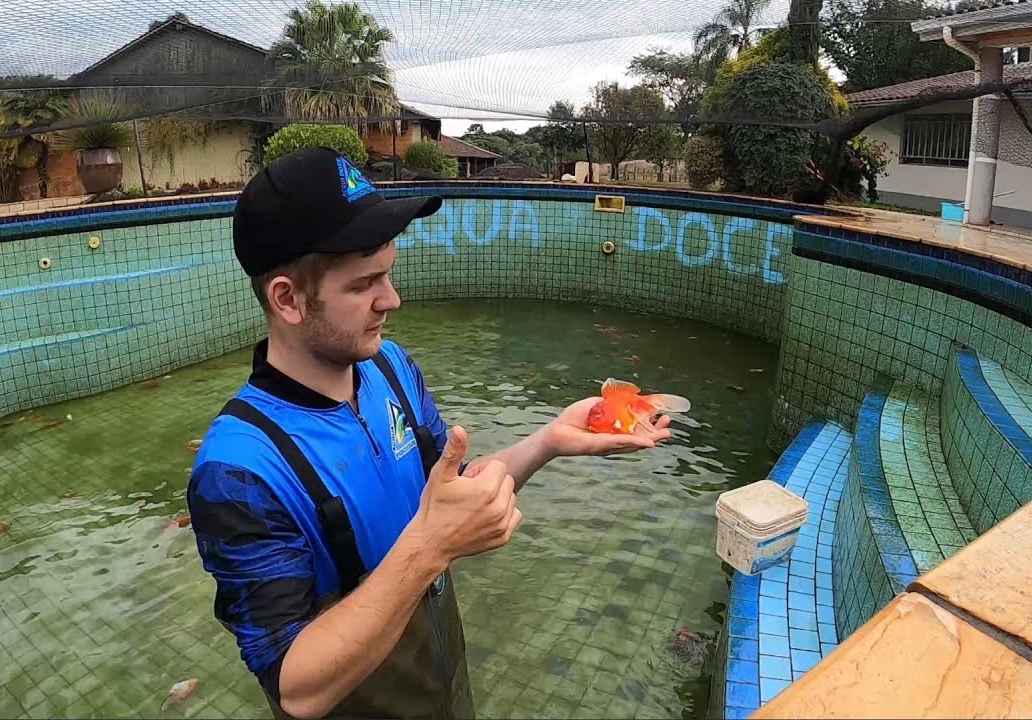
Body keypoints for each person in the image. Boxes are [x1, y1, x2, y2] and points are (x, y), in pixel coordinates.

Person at [186, 145, 675, 720]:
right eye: (365, 284)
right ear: (288, 299)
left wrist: (548, 441)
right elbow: (294, 685)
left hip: (441, 683)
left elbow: (450, 497)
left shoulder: (389, 369)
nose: (392, 300)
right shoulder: (241, 467)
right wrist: (431, 548)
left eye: (388, 275)